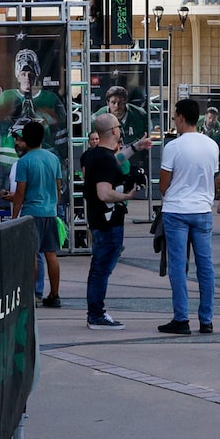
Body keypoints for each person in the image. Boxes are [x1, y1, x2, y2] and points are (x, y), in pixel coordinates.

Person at [154, 100, 220, 336]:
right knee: (206, 266)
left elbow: (163, 184)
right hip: (202, 210)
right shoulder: (212, 145)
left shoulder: (174, 146)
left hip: (177, 211)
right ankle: (207, 319)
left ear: (180, 117)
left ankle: (181, 318)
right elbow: (213, 177)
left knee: (178, 266)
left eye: (174, 117)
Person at [80, 111, 132, 328]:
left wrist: (136, 148)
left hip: (99, 220)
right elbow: (104, 193)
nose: (120, 129)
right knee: (102, 268)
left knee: (98, 267)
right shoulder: (102, 157)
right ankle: (96, 314)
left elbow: (114, 161)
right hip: (108, 222)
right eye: (118, 126)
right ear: (113, 131)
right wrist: (126, 196)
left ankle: (95, 312)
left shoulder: (95, 154)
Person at [6, 119, 65, 308]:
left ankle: (31, 295)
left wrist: (15, 216)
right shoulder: (53, 158)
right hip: (49, 212)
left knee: (32, 255)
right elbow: (58, 188)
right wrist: (53, 206)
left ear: (25, 138)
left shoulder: (24, 162)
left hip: (31, 213)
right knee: (51, 254)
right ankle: (54, 295)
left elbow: (20, 193)